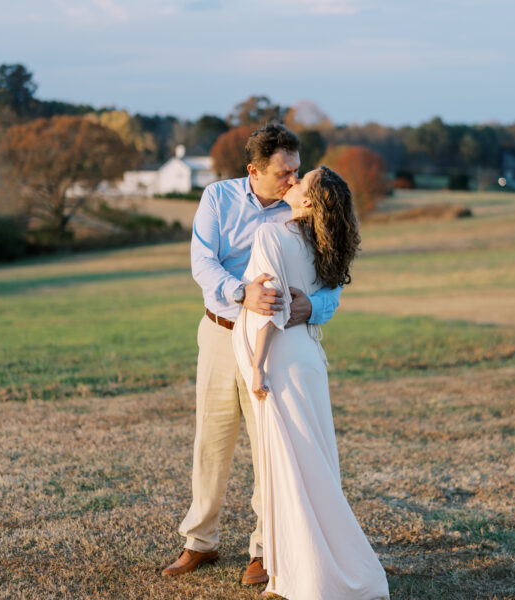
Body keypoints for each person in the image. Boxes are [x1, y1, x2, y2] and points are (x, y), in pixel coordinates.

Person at [161, 124, 342, 586]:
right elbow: (203, 263)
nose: (292, 180)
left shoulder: (302, 212)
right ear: (253, 171)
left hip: (276, 344)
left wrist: (311, 308)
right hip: (221, 334)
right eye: (283, 172)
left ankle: (264, 548)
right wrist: (242, 293)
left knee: (271, 448)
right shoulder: (218, 199)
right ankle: (199, 542)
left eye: (297, 171)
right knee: (211, 443)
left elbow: (332, 283)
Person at [232, 166, 389, 599]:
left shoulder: (272, 234)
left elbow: (268, 307)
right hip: (307, 358)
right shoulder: (319, 242)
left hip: (280, 362)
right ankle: (293, 572)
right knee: (312, 467)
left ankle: (310, 576)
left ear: (308, 202)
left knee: (290, 469)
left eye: (302, 182)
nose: (292, 182)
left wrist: (258, 365)